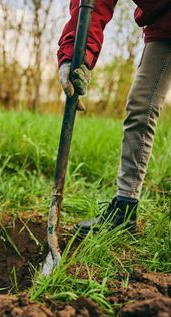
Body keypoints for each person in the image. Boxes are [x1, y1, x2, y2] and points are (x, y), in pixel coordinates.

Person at [58, 0, 171, 235]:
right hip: (164, 20)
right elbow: (92, 3)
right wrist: (74, 55)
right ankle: (125, 209)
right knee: (141, 105)